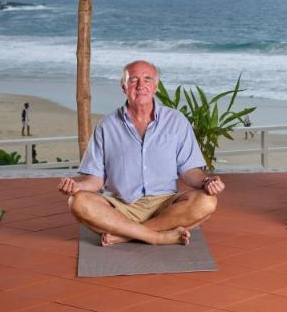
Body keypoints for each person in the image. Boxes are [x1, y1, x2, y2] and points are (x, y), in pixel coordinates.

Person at [58, 59, 223, 246]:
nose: (140, 85)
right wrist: (78, 187)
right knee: (77, 202)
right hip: (120, 206)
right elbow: (96, 180)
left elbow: (189, 170)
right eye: (133, 80)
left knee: (207, 202)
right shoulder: (106, 126)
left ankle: (126, 234)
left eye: (147, 79)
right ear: (123, 87)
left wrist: (206, 181)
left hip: (165, 205)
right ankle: (156, 236)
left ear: (156, 87)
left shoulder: (176, 121)